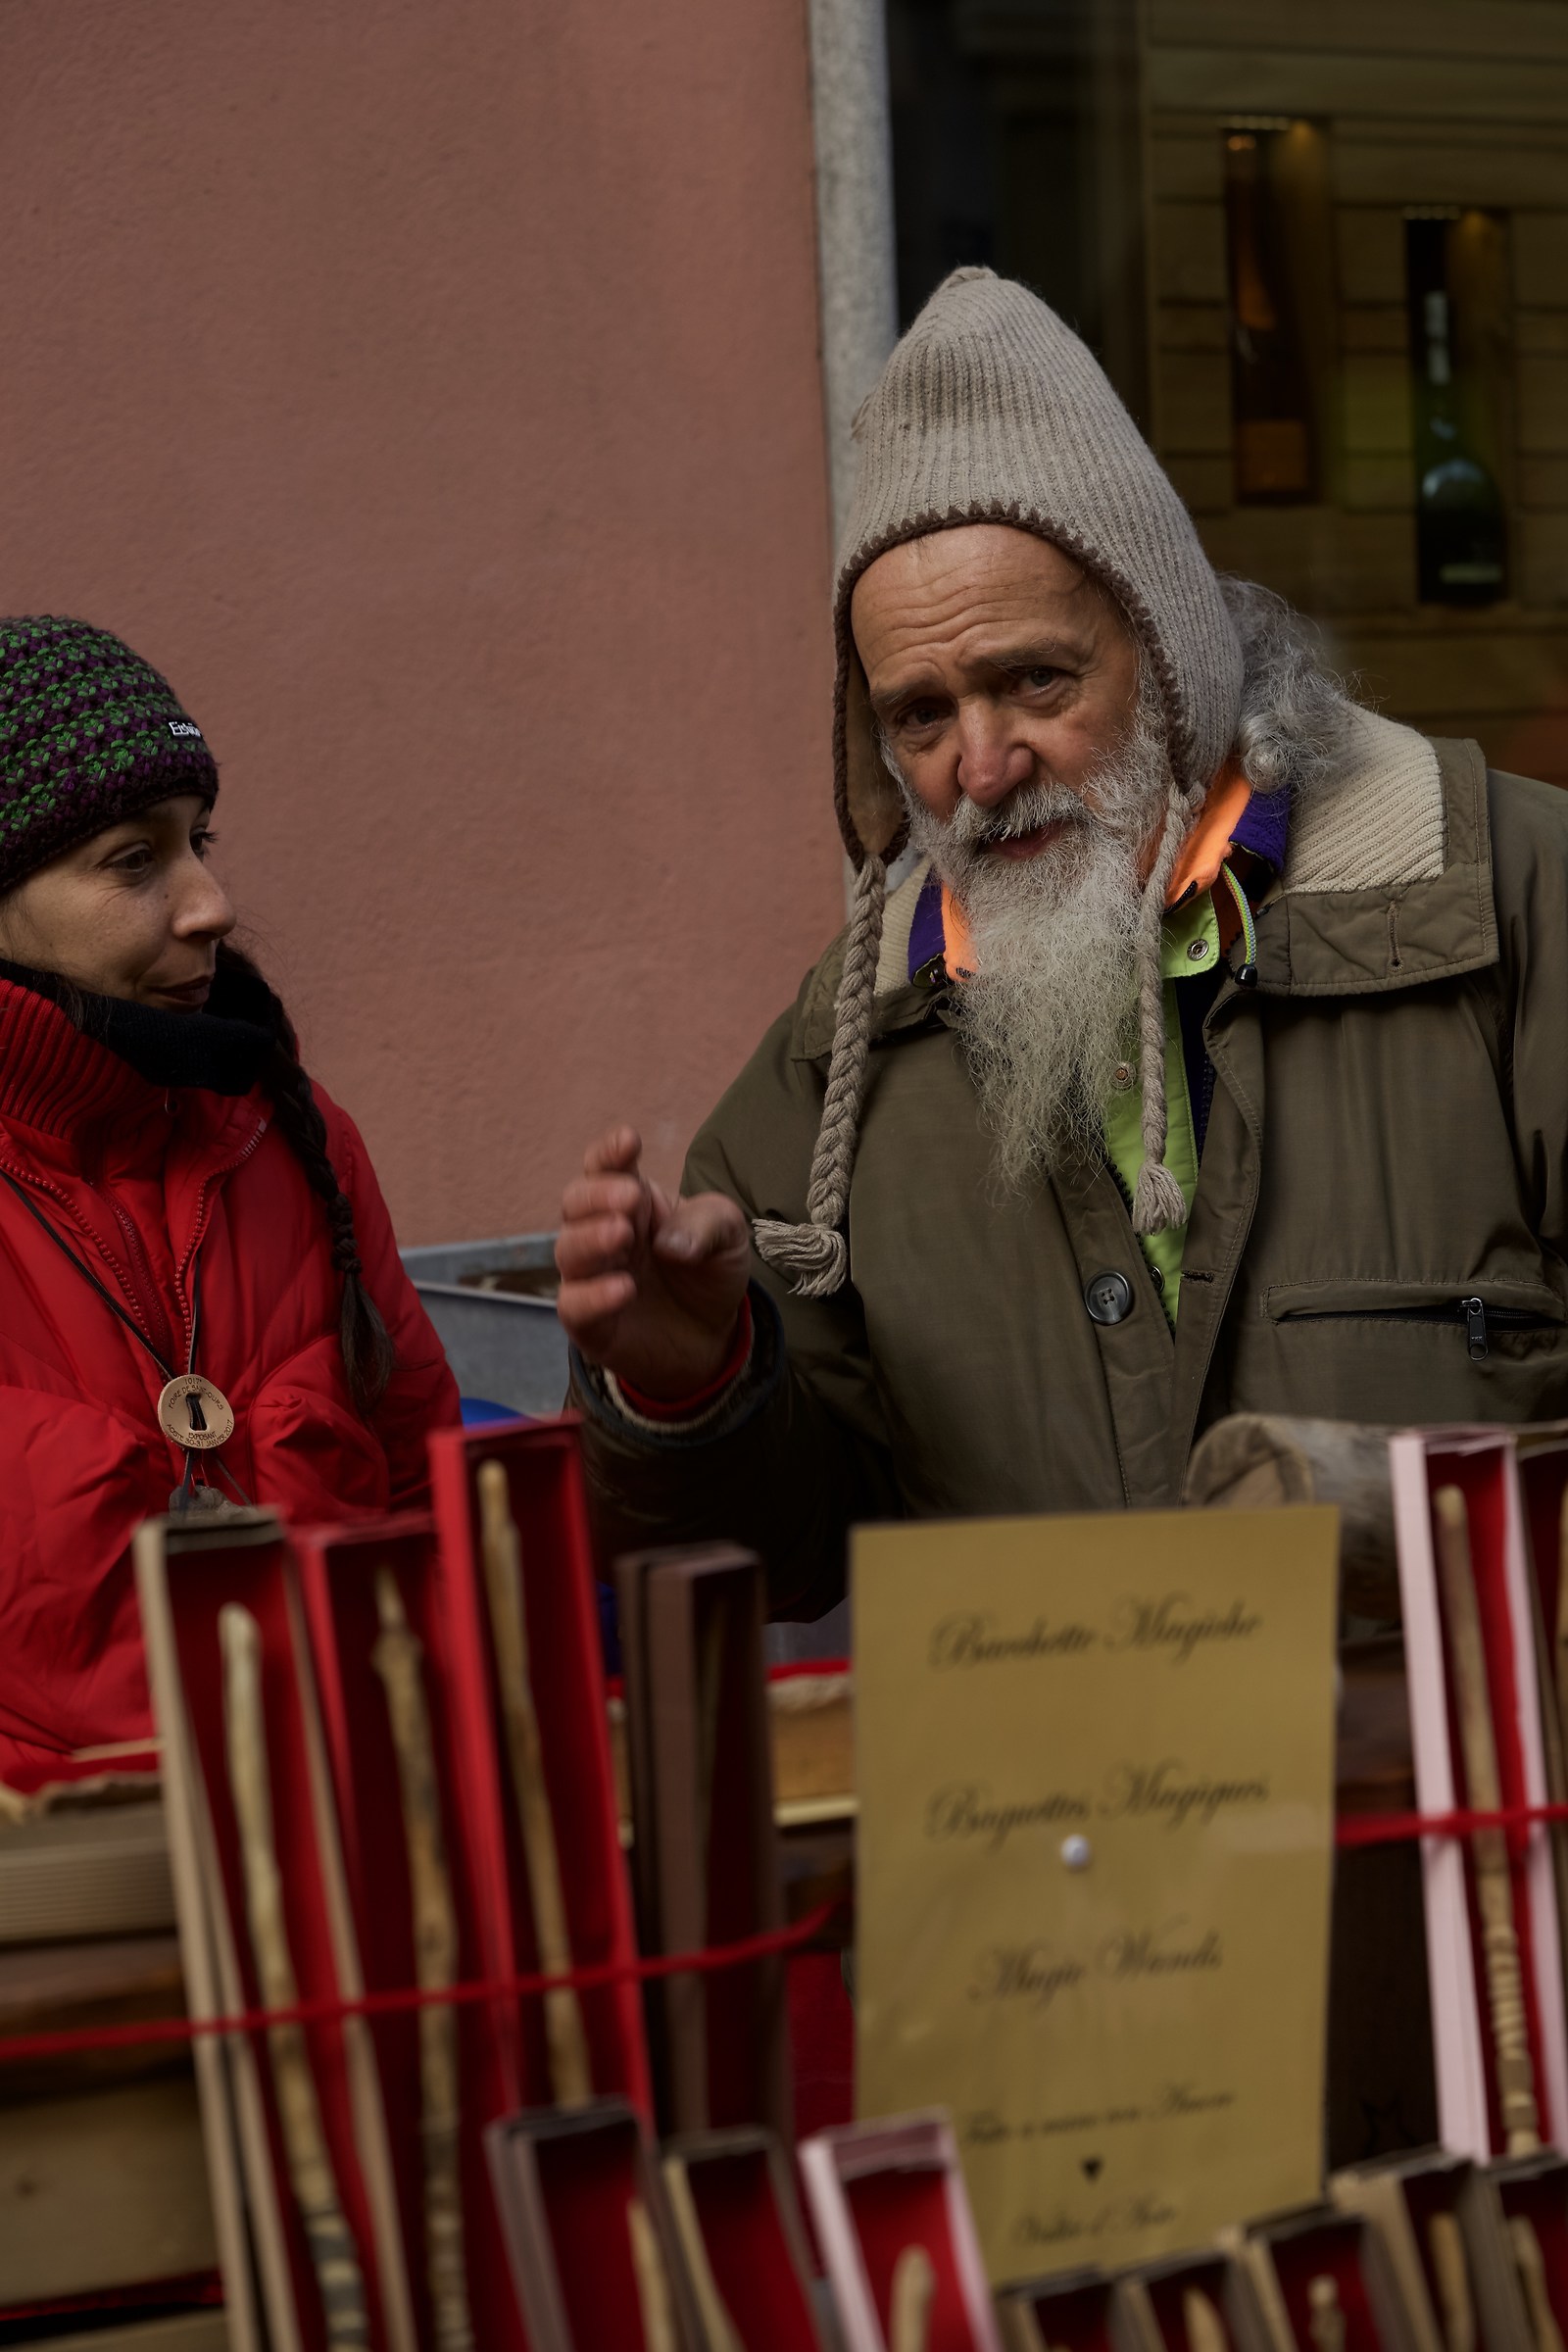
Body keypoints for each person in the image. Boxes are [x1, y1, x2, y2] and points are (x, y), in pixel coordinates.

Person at [556, 268, 1568, 1619]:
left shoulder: (1512, 899)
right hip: (1062, 1824)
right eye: (920, 715)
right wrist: (688, 1389)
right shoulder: (834, 1073)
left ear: (1172, 653)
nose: (981, 766)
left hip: (1458, 1809)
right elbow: (776, 1558)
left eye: (1036, 680)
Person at [0, 616, 458, 1788]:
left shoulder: (294, 1143)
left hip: (350, 1835)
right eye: (133, 859)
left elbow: (427, 1513)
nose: (209, 900)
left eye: (198, 841)